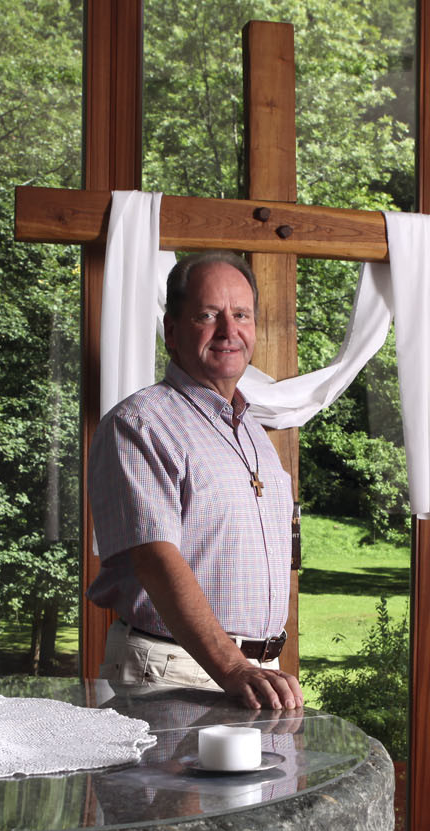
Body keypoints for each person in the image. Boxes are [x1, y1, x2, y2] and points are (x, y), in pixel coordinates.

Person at [87, 250, 303, 711]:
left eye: (241, 315)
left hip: (253, 674)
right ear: (171, 330)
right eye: (208, 315)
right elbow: (154, 560)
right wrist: (234, 667)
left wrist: (252, 668)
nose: (229, 331)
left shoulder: (252, 432)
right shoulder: (141, 423)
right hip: (173, 671)